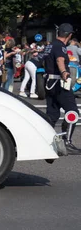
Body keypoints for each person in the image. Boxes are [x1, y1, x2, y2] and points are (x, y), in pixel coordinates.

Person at [43, 23, 80, 152]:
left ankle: (45, 141)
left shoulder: (50, 45)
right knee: (72, 112)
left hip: (49, 82)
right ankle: (67, 142)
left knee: (52, 114)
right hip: (59, 83)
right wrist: (64, 72)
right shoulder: (60, 46)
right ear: (69, 35)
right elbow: (60, 60)